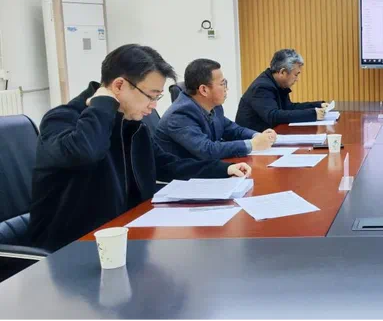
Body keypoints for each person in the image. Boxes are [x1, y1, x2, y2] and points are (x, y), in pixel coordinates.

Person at [29, 45, 251, 252]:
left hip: (125, 238)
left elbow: (166, 164)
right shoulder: (61, 119)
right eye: (151, 96)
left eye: (157, 97)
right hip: (71, 250)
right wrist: (103, 105)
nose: (154, 105)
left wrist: (222, 169)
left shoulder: (132, 125)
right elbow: (86, 152)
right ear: (119, 86)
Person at [155, 59, 276, 160]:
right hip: (184, 177)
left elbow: (233, 129)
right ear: (204, 90)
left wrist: (258, 136)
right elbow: (207, 150)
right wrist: (252, 144)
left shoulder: (214, 107)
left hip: (205, 169)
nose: (226, 89)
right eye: (222, 84)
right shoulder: (180, 115)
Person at [235, 49, 328, 132]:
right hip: (251, 141)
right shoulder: (262, 87)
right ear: (282, 72)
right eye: (296, 75)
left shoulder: (278, 83)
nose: (297, 79)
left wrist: (317, 105)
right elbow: (273, 116)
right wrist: (312, 114)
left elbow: (289, 108)